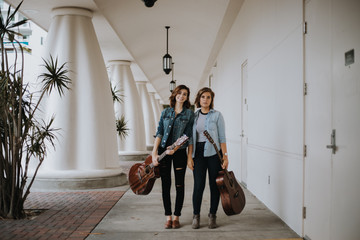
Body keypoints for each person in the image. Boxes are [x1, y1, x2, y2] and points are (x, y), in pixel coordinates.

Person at [152, 85, 194, 229]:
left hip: (179, 153)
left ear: (187, 97)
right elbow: (160, 133)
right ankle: (168, 217)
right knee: (165, 185)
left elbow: (188, 135)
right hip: (164, 152)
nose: (181, 96)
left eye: (185, 94)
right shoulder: (165, 112)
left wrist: (175, 149)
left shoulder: (189, 114)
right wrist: (154, 153)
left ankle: (176, 217)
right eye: (179, 93)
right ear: (175, 94)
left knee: (179, 185)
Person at [187, 87, 228, 229]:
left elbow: (222, 138)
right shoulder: (194, 116)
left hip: (214, 154)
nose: (205, 99)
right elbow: (191, 139)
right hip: (197, 153)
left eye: (208, 97)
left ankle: (212, 215)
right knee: (198, 186)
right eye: (203, 97)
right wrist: (189, 157)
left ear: (211, 99)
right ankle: (196, 216)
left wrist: (225, 156)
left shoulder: (217, 115)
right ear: (199, 99)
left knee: (214, 186)